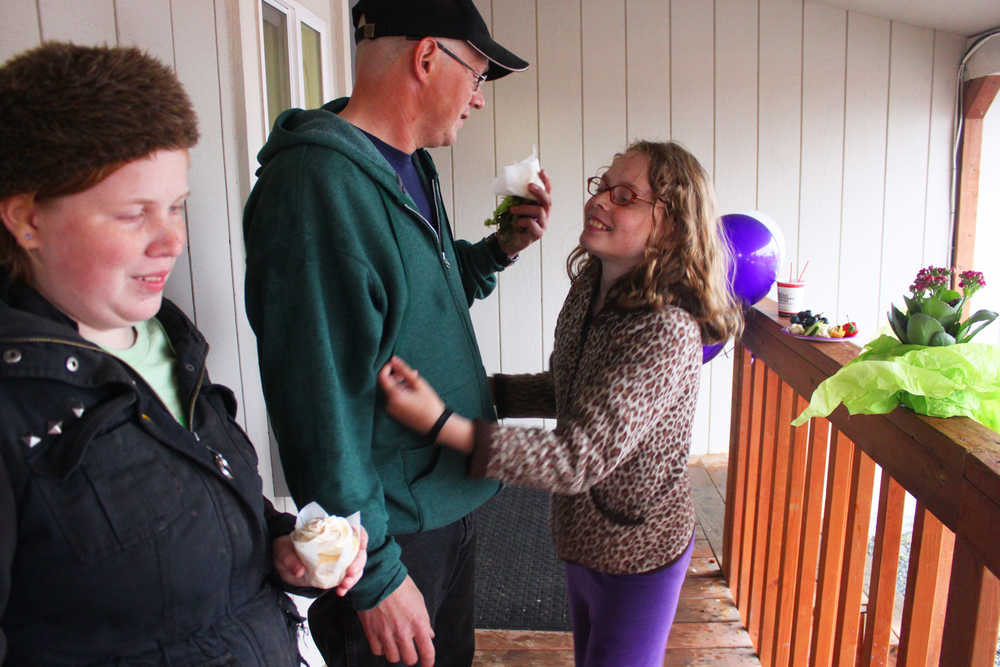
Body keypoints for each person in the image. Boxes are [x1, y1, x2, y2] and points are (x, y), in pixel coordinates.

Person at [0, 42, 367, 666]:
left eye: (175, 206)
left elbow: (189, 524)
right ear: (27, 220)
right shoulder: (16, 411)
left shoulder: (171, 346)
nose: (172, 240)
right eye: (132, 214)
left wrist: (280, 548)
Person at [241, 1, 551, 665]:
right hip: (392, 532)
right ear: (428, 55)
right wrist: (377, 571)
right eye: (478, 75)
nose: (478, 100)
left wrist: (499, 248)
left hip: (446, 504)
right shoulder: (317, 188)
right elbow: (320, 405)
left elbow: (420, 303)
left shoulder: (408, 165)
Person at [378, 141, 744, 667]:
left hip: (639, 546)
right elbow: (570, 386)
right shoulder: (592, 283)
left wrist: (444, 424)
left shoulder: (666, 329)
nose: (599, 201)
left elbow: (578, 456)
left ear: (671, 223)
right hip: (580, 531)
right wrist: (486, 391)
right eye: (602, 186)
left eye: (624, 195)